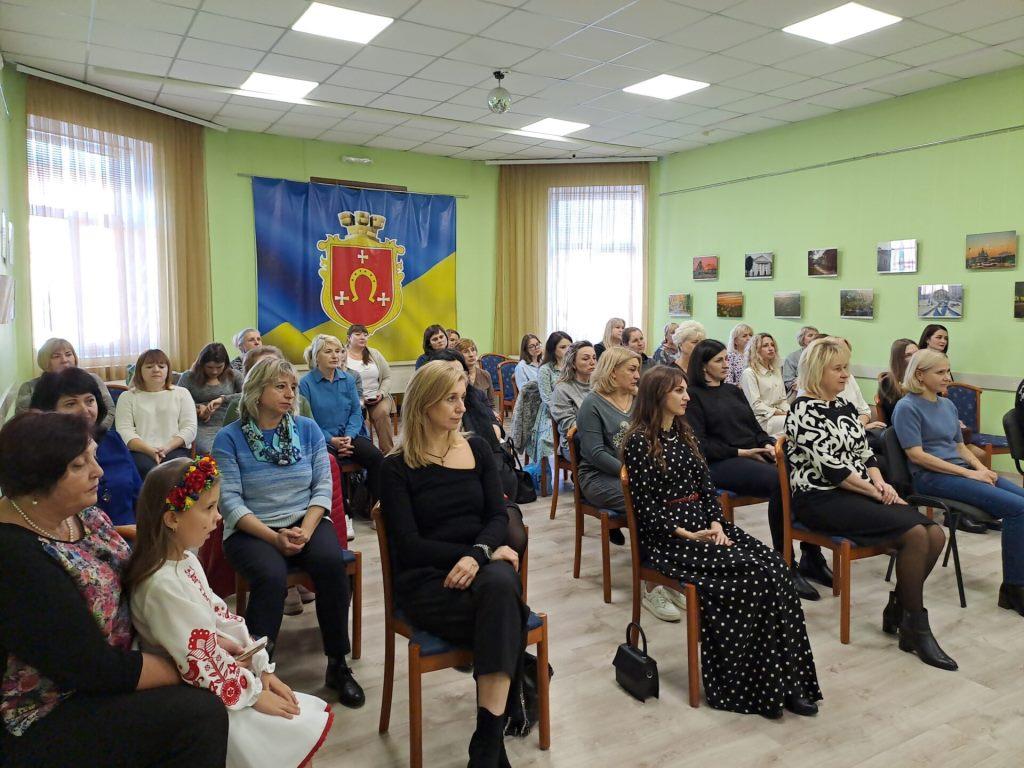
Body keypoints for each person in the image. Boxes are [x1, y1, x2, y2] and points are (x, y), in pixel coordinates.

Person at [0, 411, 228, 767]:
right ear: (37, 478)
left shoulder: (82, 514)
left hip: (123, 661)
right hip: (53, 705)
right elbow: (92, 668)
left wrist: (211, 645)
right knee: (202, 712)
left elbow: (129, 566)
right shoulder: (15, 558)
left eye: (93, 456)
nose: (99, 471)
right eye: (79, 465)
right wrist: (192, 666)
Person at [623, 366, 822, 719]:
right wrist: (684, 533)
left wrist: (716, 522)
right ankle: (751, 685)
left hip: (706, 527)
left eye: (686, 389)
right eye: (678, 391)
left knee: (776, 568)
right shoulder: (639, 441)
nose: (687, 397)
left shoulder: (685, 433)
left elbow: (706, 488)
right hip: (669, 540)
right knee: (752, 577)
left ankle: (790, 683)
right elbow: (645, 507)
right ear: (657, 395)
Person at [126, 457, 334, 767]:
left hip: (222, 676)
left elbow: (222, 617)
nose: (219, 516)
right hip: (203, 691)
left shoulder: (185, 560)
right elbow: (198, 657)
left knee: (293, 724)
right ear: (172, 519)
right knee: (285, 733)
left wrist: (262, 666)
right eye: (209, 508)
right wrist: (254, 693)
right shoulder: (160, 585)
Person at [379, 362, 529, 766]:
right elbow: (410, 546)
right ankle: (491, 746)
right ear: (424, 403)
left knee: (500, 589)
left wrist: (478, 554)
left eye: (462, 398)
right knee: (507, 610)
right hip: (429, 580)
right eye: (451, 399)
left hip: (481, 567)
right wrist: (474, 554)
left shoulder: (476, 449)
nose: (462, 408)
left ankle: (485, 745)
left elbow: (497, 516)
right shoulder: (395, 467)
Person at [786, 338, 955, 671]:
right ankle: (916, 628)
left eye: (846, 367)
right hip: (821, 498)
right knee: (916, 535)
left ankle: (900, 608)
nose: (845, 374)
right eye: (838, 369)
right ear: (817, 371)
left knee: (935, 534)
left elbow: (866, 456)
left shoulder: (844, 406)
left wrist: (880, 482)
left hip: (857, 491)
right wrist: (876, 492)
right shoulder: (802, 411)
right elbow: (835, 472)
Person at [212, 356, 365, 707]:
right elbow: (229, 502)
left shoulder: (307, 430)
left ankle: (337, 664)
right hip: (251, 528)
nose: (290, 394)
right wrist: (273, 538)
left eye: (293, 387)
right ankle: (258, 671)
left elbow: (322, 487)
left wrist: (307, 530)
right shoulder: (229, 438)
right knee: (270, 575)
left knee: (331, 564)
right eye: (280, 387)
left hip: (305, 520)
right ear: (256, 391)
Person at [686, 340, 823, 601]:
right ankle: (785, 562)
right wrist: (742, 452)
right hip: (721, 462)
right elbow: (700, 445)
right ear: (703, 366)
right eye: (719, 360)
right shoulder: (693, 396)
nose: (727, 364)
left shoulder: (732, 391)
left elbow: (755, 428)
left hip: (753, 452)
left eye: (726, 359)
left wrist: (768, 445)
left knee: (806, 473)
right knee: (780, 482)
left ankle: (812, 554)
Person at [893, 349, 1024, 616]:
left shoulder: (947, 405)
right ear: (920, 375)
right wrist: (969, 474)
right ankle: (1014, 588)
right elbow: (917, 455)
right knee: (1018, 510)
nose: (947, 377)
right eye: (940, 372)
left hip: (959, 471)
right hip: (930, 478)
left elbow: (960, 446)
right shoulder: (907, 407)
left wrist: (981, 469)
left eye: (947, 371)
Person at [576, 347, 680, 621]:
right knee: (646, 506)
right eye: (631, 370)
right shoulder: (592, 404)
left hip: (638, 475)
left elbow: (657, 437)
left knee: (675, 500)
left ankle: (670, 574)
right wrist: (632, 473)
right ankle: (652, 586)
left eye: (638, 369)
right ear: (612, 373)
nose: (638, 375)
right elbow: (595, 453)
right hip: (599, 477)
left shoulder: (638, 400)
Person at [30, 369, 142, 527]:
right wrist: (121, 532)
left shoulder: (113, 440)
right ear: (48, 411)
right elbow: (48, 522)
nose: (85, 410)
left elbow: (140, 495)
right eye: (71, 404)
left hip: (136, 533)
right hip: (80, 539)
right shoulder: (43, 456)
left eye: (89, 401)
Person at [299, 334, 383, 504]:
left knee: (376, 457)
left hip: (349, 435)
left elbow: (356, 412)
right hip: (321, 439)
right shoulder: (306, 383)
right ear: (316, 356)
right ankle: (344, 510)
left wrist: (348, 437)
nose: (335, 355)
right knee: (331, 465)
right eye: (328, 351)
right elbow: (307, 421)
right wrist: (332, 440)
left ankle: (375, 505)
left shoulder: (348, 379)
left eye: (338, 351)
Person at [114, 349, 197, 479]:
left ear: (168, 370)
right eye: (149, 366)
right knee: (146, 469)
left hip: (175, 448)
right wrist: (150, 450)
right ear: (139, 371)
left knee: (175, 471)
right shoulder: (127, 397)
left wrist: (166, 448)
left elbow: (190, 428)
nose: (156, 370)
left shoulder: (182, 393)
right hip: (140, 451)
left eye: (161, 366)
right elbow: (124, 431)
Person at [14, 337, 115, 429]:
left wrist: (93, 434)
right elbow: (24, 423)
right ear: (45, 361)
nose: (64, 360)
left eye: (68, 354)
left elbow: (109, 410)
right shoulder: (29, 387)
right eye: (56, 356)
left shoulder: (92, 379)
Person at [177, 343, 244, 455]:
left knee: (237, 451)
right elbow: (178, 402)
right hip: (201, 426)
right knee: (213, 452)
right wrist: (198, 408)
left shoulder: (234, 375)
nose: (214, 371)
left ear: (226, 364)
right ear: (201, 364)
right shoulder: (188, 377)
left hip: (230, 423)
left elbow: (248, 395)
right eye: (209, 367)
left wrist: (223, 399)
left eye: (219, 367)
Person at [345, 323, 396, 454]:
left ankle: (388, 453)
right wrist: (359, 398)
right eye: (358, 334)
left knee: (382, 413)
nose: (363, 337)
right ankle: (369, 454)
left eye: (365, 335)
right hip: (354, 399)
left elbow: (387, 377)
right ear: (349, 338)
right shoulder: (342, 356)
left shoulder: (374, 354)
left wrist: (381, 393)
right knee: (363, 421)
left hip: (377, 397)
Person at [550, 341, 596, 459]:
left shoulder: (598, 386)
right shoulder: (562, 389)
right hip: (573, 445)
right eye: (586, 358)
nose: (592, 362)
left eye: (594, 358)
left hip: (598, 439)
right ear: (573, 364)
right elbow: (570, 426)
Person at [533, 332, 573, 467]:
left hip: (573, 411)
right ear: (553, 350)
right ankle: (553, 473)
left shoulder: (574, 367)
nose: (568, 350)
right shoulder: (545, 369)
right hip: (550, 414)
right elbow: (547, 398)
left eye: (570, 346)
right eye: (563, 347)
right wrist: (563, 413)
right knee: (548, 440)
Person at [740, 332, 789, 435]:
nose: (771, 348)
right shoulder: (749, 373)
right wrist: (781, 413)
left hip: (779, 414)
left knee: (801, 419)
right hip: (762, 420)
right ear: (756, 350)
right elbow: (756, 406)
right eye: (765, 346)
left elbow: (783, 400)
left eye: (772, 345)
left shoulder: (776, 370)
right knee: (794, 422)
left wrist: (790, 412)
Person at [876, 339, 918, 425]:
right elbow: (900, 415)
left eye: (917, 354)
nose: (915, 358)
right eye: (908, 355)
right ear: (898, 359)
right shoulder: (887, 383)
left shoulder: (925, 378)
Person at [455, 338, 497, 409]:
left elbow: (491, 404)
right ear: (459, 355)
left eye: (473, 350)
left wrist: (492, 413)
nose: (471, 354)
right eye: (466, 352)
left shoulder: (485, 374)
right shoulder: (455, 375)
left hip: (483, 413)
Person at [783, 326, 818, 393]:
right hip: (800, 392)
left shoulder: (823, 355)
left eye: (816, 336)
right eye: (810, 335)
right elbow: (788, 381)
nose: (814, 338)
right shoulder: (792, 357)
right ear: (802, 339)